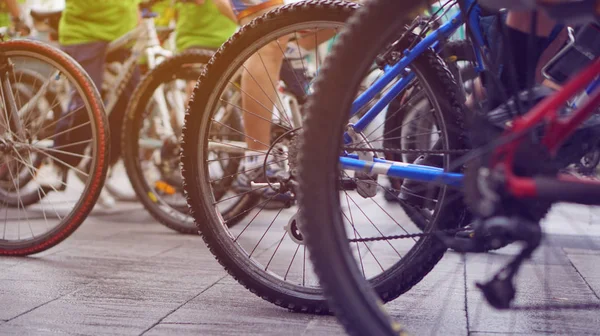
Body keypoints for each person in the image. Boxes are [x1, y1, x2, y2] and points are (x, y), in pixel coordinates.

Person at [39, 0, 142, 191]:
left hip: (122, 35)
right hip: (85, 34)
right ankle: (59, 162)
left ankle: (99, 167)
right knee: (87, 103)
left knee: (133, 105)